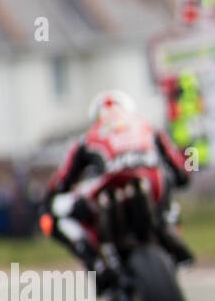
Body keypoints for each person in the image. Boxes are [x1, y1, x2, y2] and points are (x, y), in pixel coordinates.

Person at [42, 91, 193, 290]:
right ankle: (171, 239)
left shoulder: (86, 140)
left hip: (134, 198)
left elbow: (60, 183)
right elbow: (182, 171)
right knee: (168, 188)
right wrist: (191, 159)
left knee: (52, 217)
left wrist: (49, 203)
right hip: (141, 196)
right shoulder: (148, 128)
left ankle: (95, 263)